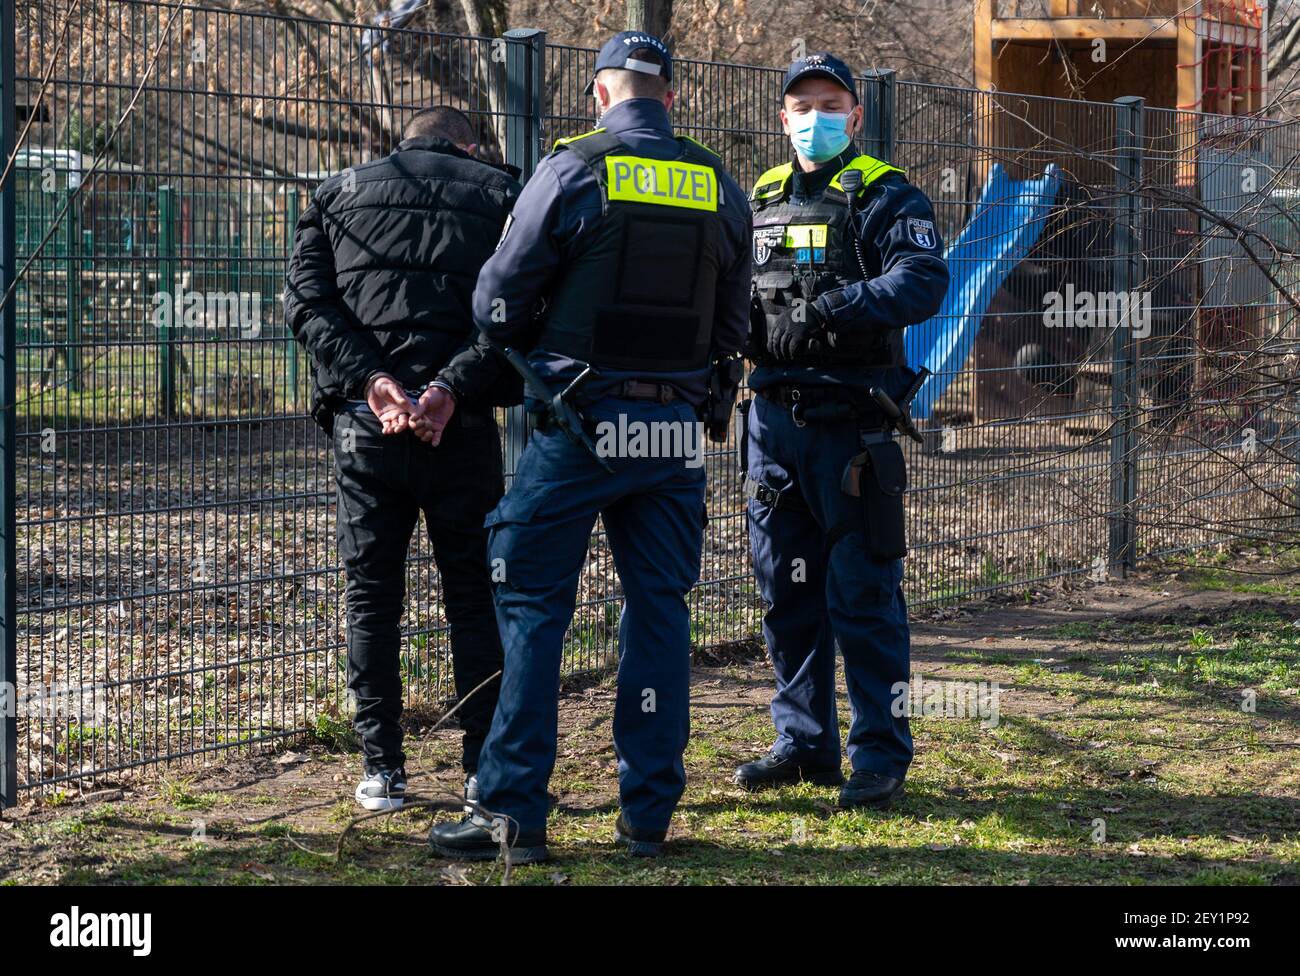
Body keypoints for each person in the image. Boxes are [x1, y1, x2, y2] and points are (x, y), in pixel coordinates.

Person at [425, 31, 751, 863]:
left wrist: (542, 350)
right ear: (669, 97)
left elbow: (495, 302)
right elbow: (735, 323)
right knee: (659, 614)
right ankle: (647, 818)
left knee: (534, 609)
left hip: (580, 428)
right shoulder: (719, 184)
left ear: (600, 95)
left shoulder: (574, 168)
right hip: (675, 433)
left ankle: (511, 815)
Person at [284, 106, 522, 812]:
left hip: (368, 430)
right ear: (469, 145)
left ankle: (383, 770)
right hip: (463, 426)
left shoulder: (336, 192)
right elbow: (521, 306)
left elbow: (307, 303)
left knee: (372, 599)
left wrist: (374, 383)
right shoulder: (503, 194)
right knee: (475, 600)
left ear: (404, 142)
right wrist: (449, 387)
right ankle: (481, 766)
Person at [734, 53, 949, 809]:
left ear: (856, 117)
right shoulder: (758, 196)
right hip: (770, 428)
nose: (814, 118)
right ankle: (804, 743)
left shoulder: (886, 194)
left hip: (851, 428)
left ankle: (880, 755)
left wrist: (832, 308)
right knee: (785, 595)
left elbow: (924, 280)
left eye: (831, 105)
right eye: (801, 106)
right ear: (782, 116)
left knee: (863, 595)